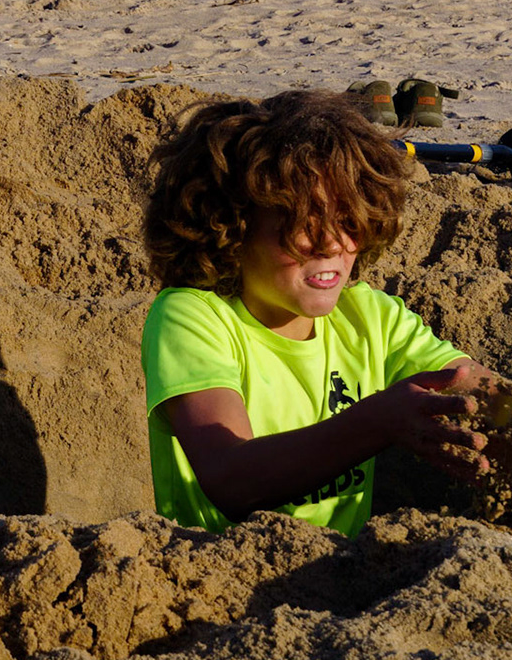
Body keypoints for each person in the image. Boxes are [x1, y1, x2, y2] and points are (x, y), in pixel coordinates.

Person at [140, 89, 490, 538]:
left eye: (349, 219)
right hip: (220, 574)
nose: (331, 244)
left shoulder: (368, 315)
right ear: (232, 226)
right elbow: (231, 479)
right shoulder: (191, 317)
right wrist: (379, 421)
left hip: (345, 572)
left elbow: (475, 385)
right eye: (303, 223)